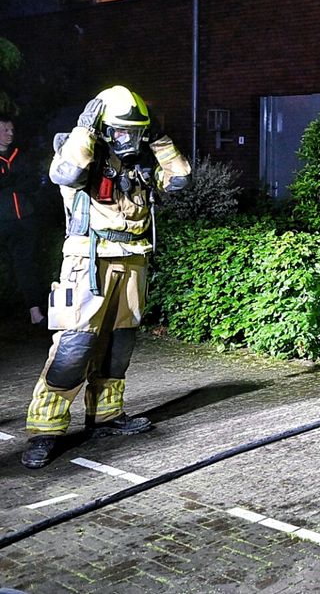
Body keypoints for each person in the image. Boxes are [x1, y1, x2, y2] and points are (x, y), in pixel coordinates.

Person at [22, 86, 190, 469]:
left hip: (133, 260)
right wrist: (85, 128)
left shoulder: (141, 163)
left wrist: (160, 140)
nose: (126, 139)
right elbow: (67, 173)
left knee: (119, 346)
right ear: (103, 127)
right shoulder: (78, 152)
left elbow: (180, 179)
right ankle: (45, 431)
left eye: (134, 132)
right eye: (119, 131)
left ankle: (106, 418)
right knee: (74, 348)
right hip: (88, 263)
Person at [0, 116, 48, 325]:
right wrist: (14, 181)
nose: (10, 134)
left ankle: (34, 310)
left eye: (11, 130)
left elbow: (32, 182)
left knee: (27, 265)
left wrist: (11, 182)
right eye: (5, 130)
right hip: (3, 220)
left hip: (25, 218)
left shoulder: (21, 155)